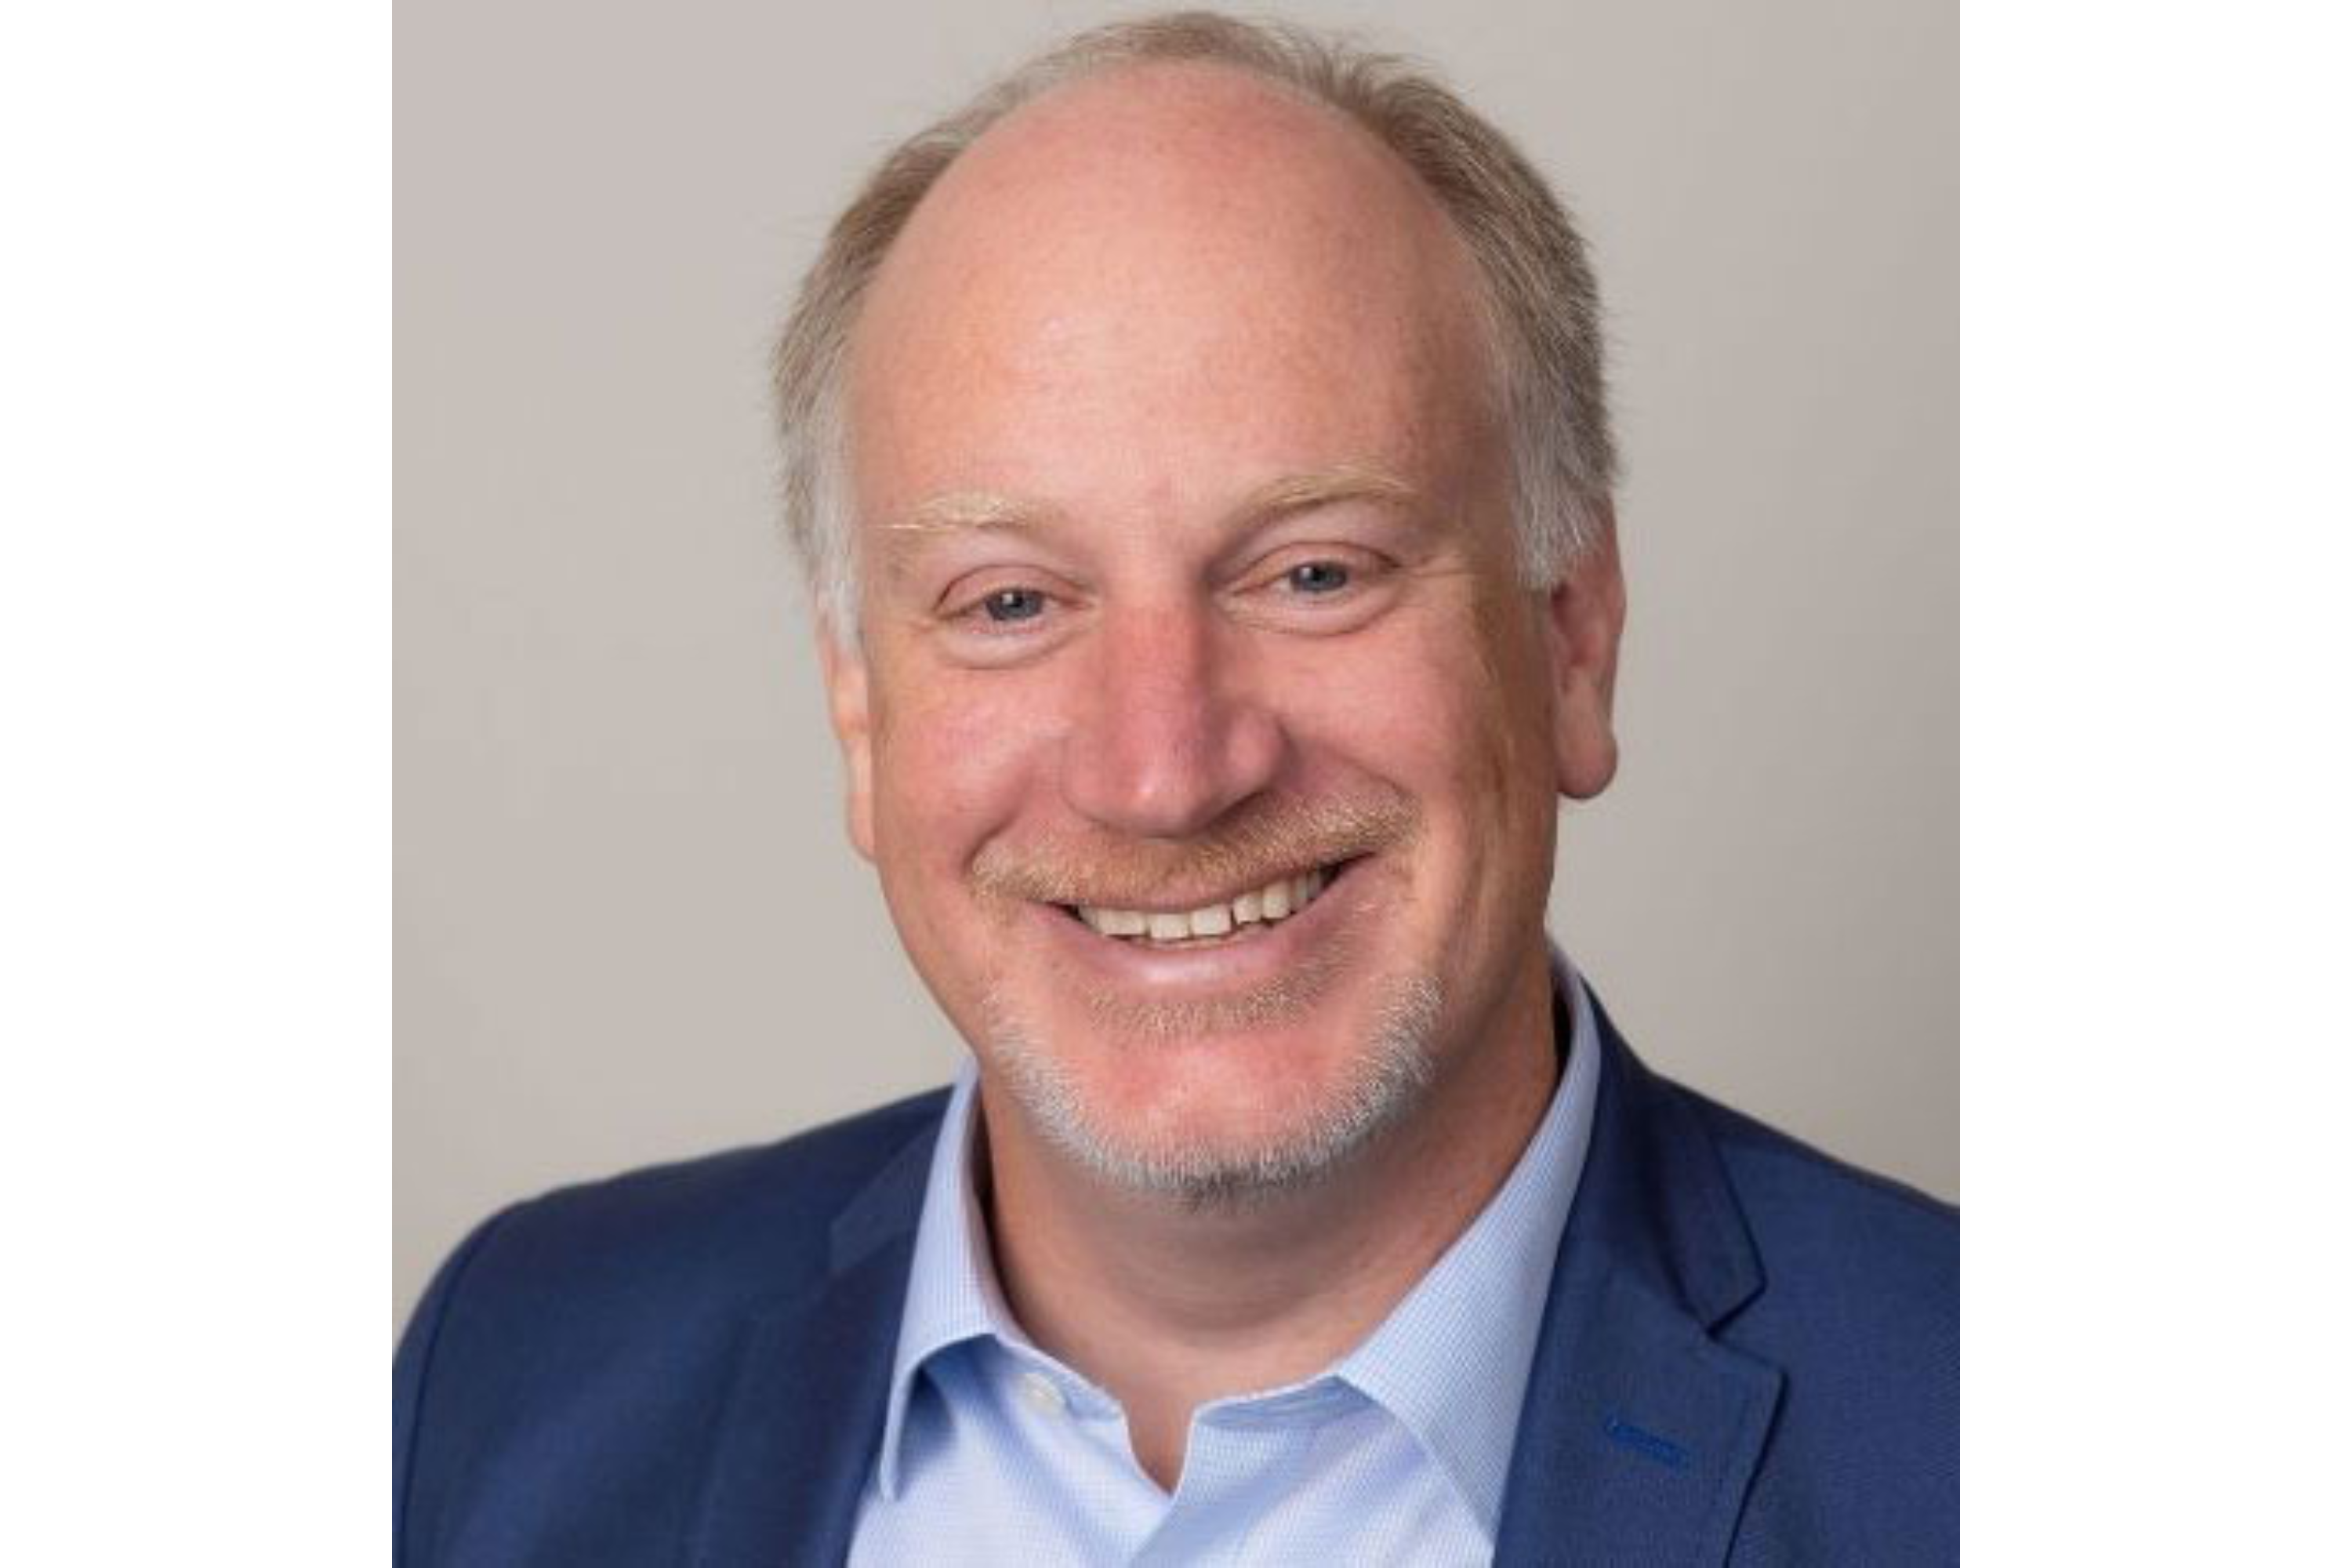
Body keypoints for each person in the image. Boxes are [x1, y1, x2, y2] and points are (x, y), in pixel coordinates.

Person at [394, 13, 1956, 1564]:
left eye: (1314, 570)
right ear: (857, 708)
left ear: (1571, 636)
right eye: (1011, 602)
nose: (1165, 773)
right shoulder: (508, 1381)